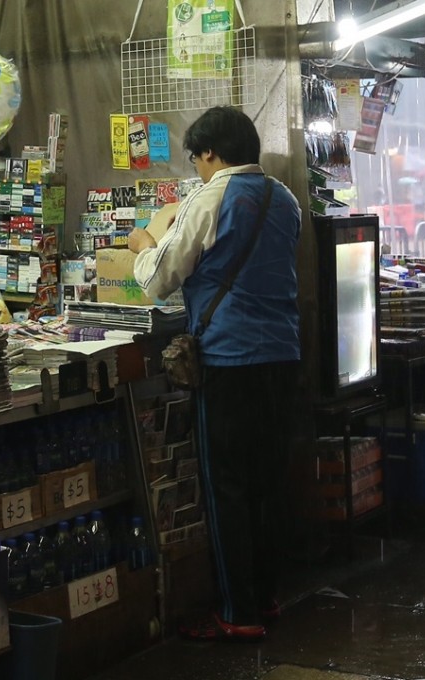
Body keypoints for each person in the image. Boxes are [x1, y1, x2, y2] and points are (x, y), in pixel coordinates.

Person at [128, 106, 301, 642]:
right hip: (283, 356)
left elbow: (158, 280)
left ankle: (237, 612)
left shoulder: (212, 195)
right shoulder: (286, 199)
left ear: (209, 153)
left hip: (229, 360)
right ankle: (267, 597)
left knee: (226, 484)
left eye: (197, 159)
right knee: (268, 482)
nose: (198, 170)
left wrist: (141, 248)